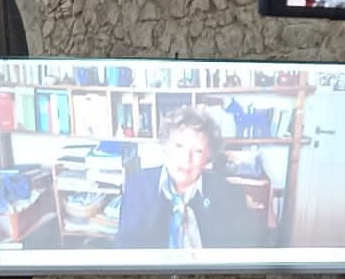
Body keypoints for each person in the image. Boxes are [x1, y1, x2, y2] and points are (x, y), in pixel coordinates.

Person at [114, 105, 271, 250]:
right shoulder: (137, 185)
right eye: (179, 146)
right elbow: (125, 252)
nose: (186, 158)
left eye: (197, 151)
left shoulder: (229, 194)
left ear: (208, 156)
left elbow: (240, 256)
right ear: (165, 146)